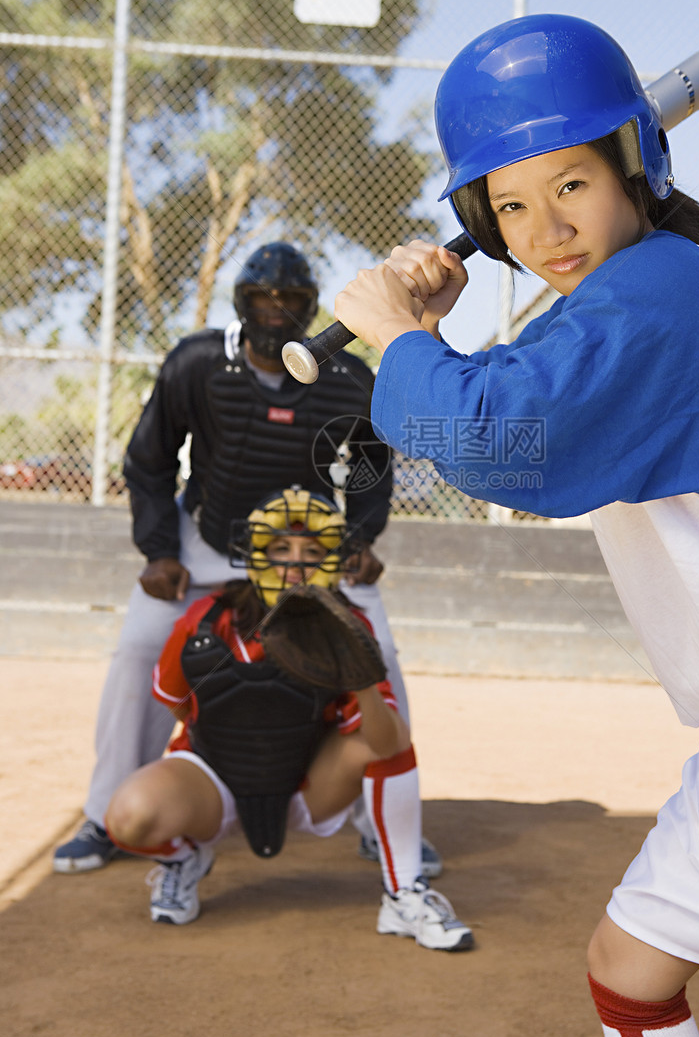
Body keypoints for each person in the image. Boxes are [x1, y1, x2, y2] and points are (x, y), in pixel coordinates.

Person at [332, 13, 699, 1037]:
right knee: (629, 973)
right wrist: (432, 333)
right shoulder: (615, 304)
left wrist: (398, 337)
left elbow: (486, 436)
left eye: (570, 185)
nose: (542, 228)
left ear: (633, 165)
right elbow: (483, 424)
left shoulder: (665, 284)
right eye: (509, 205)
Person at [54, 240, 440, 881]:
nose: (275, 308)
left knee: (379, 659)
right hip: (208, 539)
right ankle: (104, 815)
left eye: (290, 299)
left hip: (305, 552)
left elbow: (372, 468)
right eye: (262, 296)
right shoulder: (198, 362)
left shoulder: (343, 374)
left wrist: (361, 541)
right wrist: (158, 551)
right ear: (242, 301)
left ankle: (386, 825)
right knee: (137, 650)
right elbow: (147, 462)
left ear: (311, 308)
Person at [103, 486, 472, 951]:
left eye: (312, 551)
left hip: (308, 785)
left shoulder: (352, 626)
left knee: (389, 742)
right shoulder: (204, 620)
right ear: (256, 555)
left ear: (334, 559)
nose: (295, 562)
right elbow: (176, 703)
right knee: (128, 817)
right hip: (214, 781)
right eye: (280, 548)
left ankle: (404, 894)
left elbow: (388, 742)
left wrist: (361, 679)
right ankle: (184, 861)